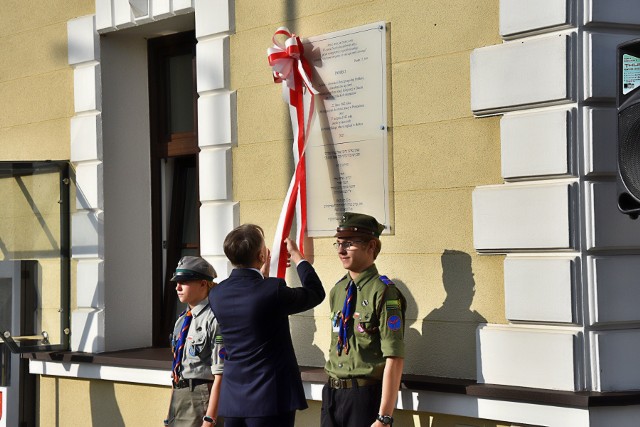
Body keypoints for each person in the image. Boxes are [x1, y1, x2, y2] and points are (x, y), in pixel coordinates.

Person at [209, 224, 325, 427]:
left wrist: (262, 277)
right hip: (270, 398)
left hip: (234, 400)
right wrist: (298, 257)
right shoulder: (272, 290)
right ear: (262, 256)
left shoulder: (217, 293)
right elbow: (316, 292)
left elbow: (254, 306)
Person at [321, 212, 406, 427]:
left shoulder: (384, 292)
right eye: (338, 243)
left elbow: (394, 358)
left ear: (371, 246)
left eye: (349, 243)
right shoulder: (338, 290)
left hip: (363, 397)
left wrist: (384, 416)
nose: (341, 250)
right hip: (331, 394)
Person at [165, 256, 224, 427]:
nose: (178, 287)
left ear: (203, 284)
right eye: (176, 282)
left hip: (200, 397)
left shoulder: (213, 319)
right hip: (179, 396)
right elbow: (176, 369)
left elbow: (220, 374)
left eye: (184, 281)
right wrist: (170, 414)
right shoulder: (181, 320)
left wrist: (210, 418)